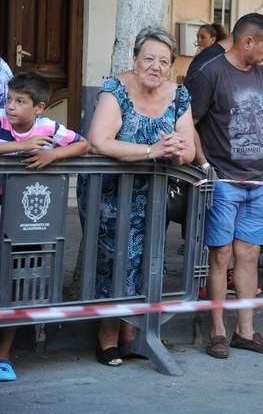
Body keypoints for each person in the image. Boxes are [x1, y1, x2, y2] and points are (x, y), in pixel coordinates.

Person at [87, 27, 194, 365]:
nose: (155, 66)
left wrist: (177, 151)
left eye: (164, 61)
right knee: (112, 264)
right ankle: (106, 338)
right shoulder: (115, 90)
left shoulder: (179, 95)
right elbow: (99, 141)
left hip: (154, 198)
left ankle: (132, 334)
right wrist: (152, 149)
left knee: (146, 261)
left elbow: (188, 148)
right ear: (134, 61)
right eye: (148, 58)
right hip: (110, 196)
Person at [184, 13, 263, 359]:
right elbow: (190, 123)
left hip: (259, 179)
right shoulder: (209, 74)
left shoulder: (260, 73)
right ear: (247, 42)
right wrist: (205, 165)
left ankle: (245, 331)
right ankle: (217, 331)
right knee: (221, 255)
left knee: (249, 255)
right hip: (224, 179)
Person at [0, 72, 90, 380]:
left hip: (24, 222)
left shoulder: (48, 128)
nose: (11, 106)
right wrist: (18, 148)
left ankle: (3, 356)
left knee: (16, 283)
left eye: (20, 101)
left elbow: (83, 145)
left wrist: (53, 154)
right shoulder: (1, 120)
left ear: (39, 108)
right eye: (9, 99)